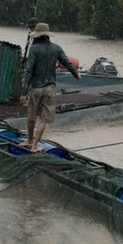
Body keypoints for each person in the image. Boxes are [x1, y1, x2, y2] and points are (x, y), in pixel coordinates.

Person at [18, 22, 80, 152]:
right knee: (43, 119)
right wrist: (76, 75)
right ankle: (35, 145)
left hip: (36, 88)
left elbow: (28, 70)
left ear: (37, 36)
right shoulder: (56, 48)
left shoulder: (34, 49)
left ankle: (29, 140)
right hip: (50, 88)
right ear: (47, 35)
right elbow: (67, 63)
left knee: (31, 117)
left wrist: (23, 92)